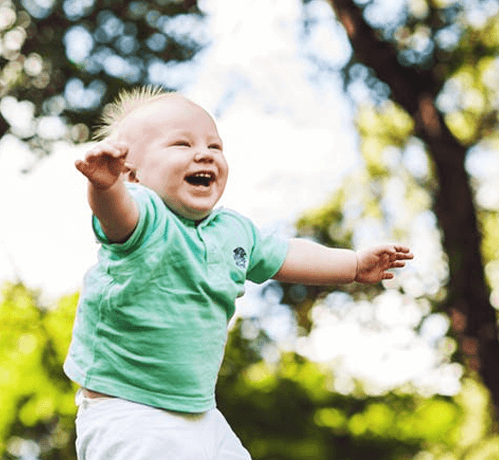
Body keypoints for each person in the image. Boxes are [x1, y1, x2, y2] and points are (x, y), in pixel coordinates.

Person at [64, 86, 413, 460]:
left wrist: (354, 265)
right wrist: (104, 185)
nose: (204, 153)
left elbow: (287, 254)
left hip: (200, 412)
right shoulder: (145, 217)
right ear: (132, 174)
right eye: (181, 144)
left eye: (215, 147)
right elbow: (115, 214)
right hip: (130, 411)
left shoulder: (232, 231)